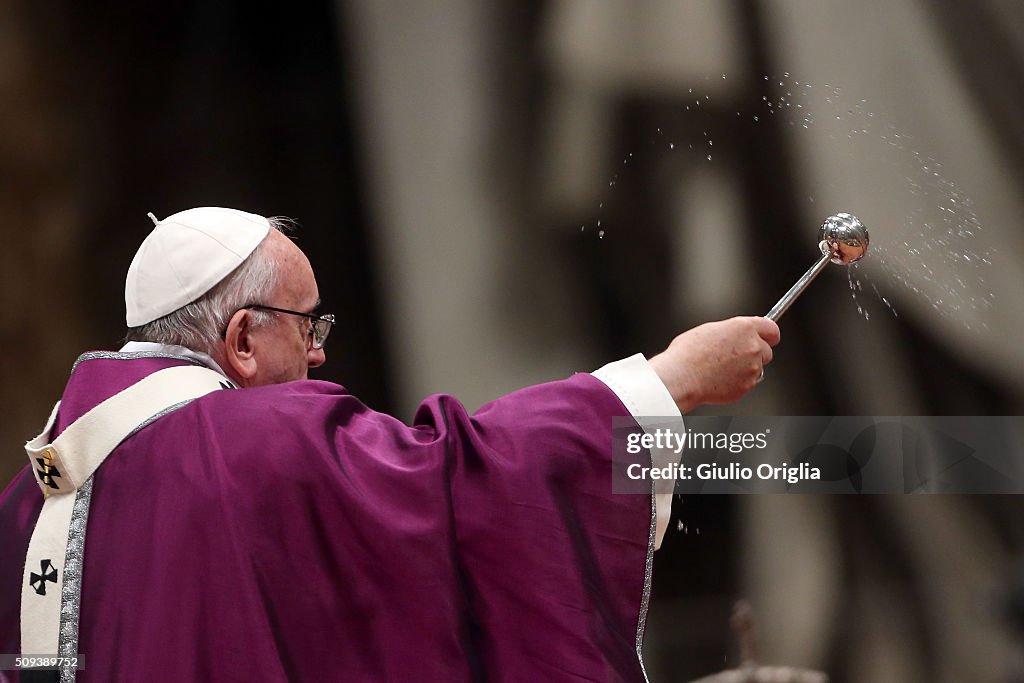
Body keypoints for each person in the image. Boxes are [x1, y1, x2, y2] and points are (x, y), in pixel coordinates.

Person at [0, 207, 779, 682]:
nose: (319, 355)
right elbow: (461, 482)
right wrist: (669, 381)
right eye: (309, 326)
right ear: (241, 339)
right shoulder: (262, 442)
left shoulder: (27, 504)